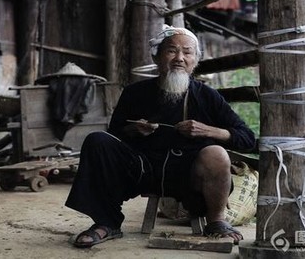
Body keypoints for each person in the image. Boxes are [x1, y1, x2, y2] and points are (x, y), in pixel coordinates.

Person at [65, 25, 256, 248]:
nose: (179, 58)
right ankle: (106, 222)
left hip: (189, 176)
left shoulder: (207, 96)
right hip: (143, 169)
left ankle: (216, 222)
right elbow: (115, 135)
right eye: (172, 51)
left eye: (187, 52)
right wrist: (133, 130)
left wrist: (208, 131)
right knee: (97, 141)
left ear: (195, 60)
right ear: (157, 57)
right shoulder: (135, 93)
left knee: (216, 154)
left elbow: (247, 138)